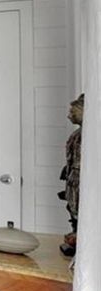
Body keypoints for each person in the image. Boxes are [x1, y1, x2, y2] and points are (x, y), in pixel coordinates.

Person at [58, 93, 84, 256]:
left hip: (79, 181)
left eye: (73, 111)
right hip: (73, 180)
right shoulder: (78, 134)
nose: (69, 115)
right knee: (74, 209)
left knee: (80, 209)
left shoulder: (90, 135)